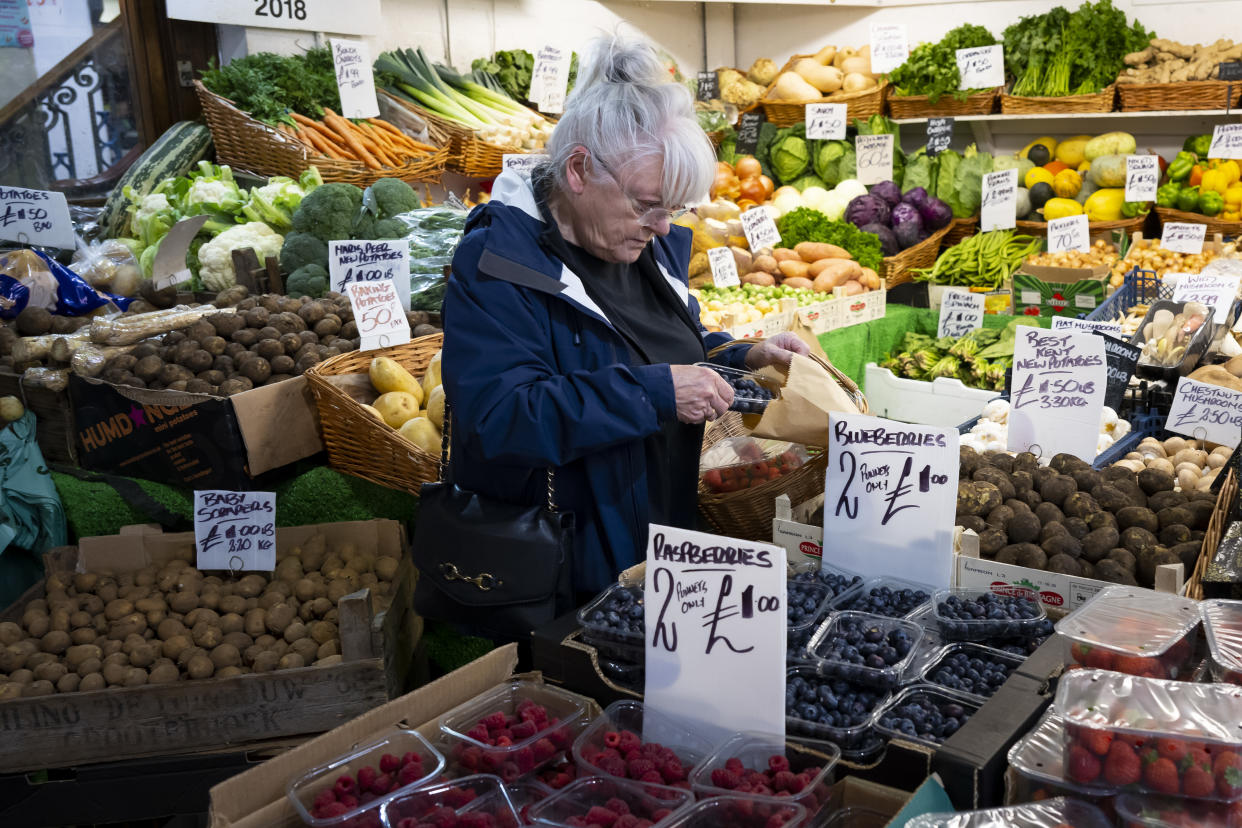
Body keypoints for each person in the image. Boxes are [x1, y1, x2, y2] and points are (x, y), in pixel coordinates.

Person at [442, 35, 808, 595]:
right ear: (580, 170)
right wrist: (655, 395)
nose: (663, 225)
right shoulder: (498, 262)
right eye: (646, 204)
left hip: (664, 541)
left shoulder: (643, 244)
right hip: (571, 566)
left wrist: (740, 355)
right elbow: (498, 418)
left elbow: (661, 346)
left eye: (672, 208)